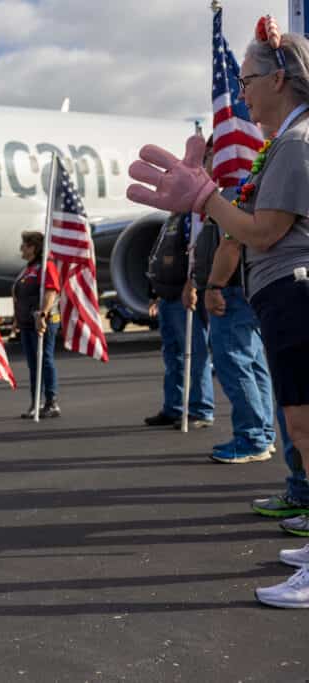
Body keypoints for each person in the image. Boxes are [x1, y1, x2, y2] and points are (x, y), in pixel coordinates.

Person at [126, 16, 309, 607]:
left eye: (250, 78)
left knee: (307, 427)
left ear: (279, 78)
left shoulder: (298, 144)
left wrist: (205, 196)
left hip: (296, 294)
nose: (244, 91)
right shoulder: (287, 143)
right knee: (302, 426)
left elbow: (262, 230)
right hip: (286, 296)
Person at [188, 137, 276, 463]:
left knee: (234, 362)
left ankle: (252, 438)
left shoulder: (232, 194)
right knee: (253, 364)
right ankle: (263, 434)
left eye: (211, 153)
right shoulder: (243, 189)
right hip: (246, 289)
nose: (208, 161)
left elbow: (231, 245)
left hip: (232, 291)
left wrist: (214, 286)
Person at [142, 212, 214, 429]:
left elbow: (197, 254)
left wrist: (190, 286)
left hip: (184, 296)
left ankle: (201, 409)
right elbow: (158, 258)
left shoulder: (192, 219)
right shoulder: (172, 220)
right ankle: (174, 406)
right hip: (166, 296)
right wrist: (154, 293)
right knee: (172, 355)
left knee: (195, 353)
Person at [12, 231, 61, 419]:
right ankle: (36, 402)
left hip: (43, 320)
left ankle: (51, 402)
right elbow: (20, 295)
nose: (21, 248)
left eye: (24, 245)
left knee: (45, 359)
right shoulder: (28, 268)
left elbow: (51, 291)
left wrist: (44, 313)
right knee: (33, 364)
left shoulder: (46, 266)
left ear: (33, 247)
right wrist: (17, 318)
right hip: (26, 322)